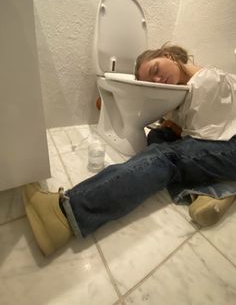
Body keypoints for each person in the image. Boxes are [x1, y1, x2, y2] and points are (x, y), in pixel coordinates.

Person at [23, 43, 236, 256]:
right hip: (221, 136)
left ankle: (65, 214)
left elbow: (202, 137)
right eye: (151, 81)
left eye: (155, 70)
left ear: (168, 55)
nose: (158, 81)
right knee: (156, 135)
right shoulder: (186, 88)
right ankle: (211, 191)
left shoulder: (206, 80)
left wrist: (175, 126)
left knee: (166, 157)